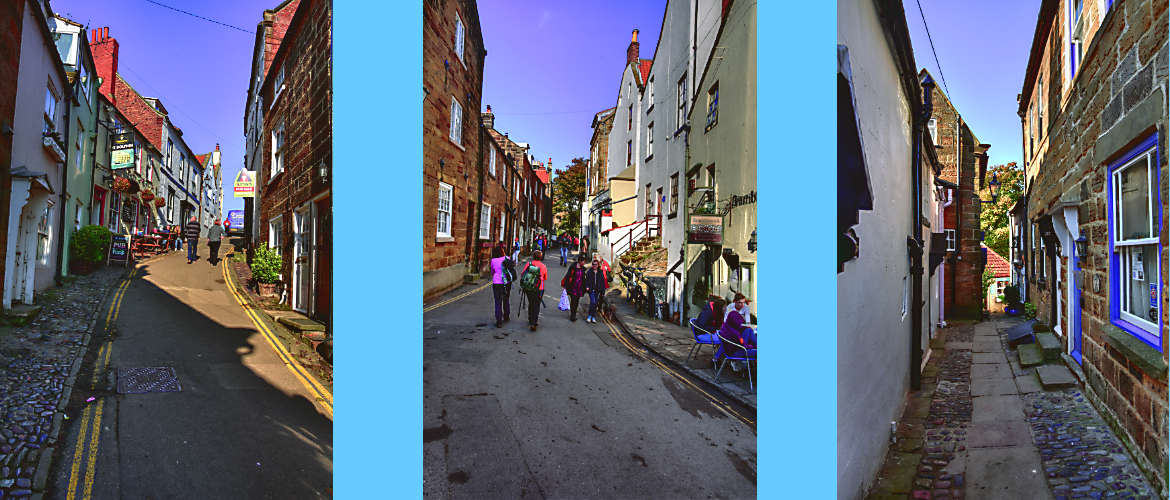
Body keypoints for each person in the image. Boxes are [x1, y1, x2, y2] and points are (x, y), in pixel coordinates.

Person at [717, 293, 755, 372]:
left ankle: (716, 358)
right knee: (749, 332)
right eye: (740, 302)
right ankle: (717, 358)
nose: (742, 305)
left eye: (743, 302)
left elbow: (747, 323)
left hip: (735, 343)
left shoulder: (743, 310)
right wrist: (750, 346)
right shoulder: (731, 310)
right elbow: (741, 343)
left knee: (749, 331)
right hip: (736, 350)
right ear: (735, 302)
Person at [519, 250, 548, 330]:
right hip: (539, 288)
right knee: (537, 304)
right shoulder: (543, 266)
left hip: (529, 287)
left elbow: (522, 274)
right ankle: (534, 322)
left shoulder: (529, 264)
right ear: (541, 257)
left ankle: (530, 319)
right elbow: (545, 278)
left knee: (531, 303)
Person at [489, 246, 511, 328]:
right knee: (506, 298)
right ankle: (506, 316)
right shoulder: (507, 258)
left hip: (497, 282)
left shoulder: (493, 260)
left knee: (498, 301)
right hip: (507, 282)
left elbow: (492, 271)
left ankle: (499, 321)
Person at [583, 256, 608, 323]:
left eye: (596, 264)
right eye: (593, 264)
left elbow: (602, 282)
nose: (594, 266)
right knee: (593, 302)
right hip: (591, 290)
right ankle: (589, 316)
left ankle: (593, 316)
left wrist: (602, 291)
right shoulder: (589, 272)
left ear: (598, 265)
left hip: (597, 290)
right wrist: (587, 286)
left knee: (595, 303)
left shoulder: (600, 272)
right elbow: (586, 280)